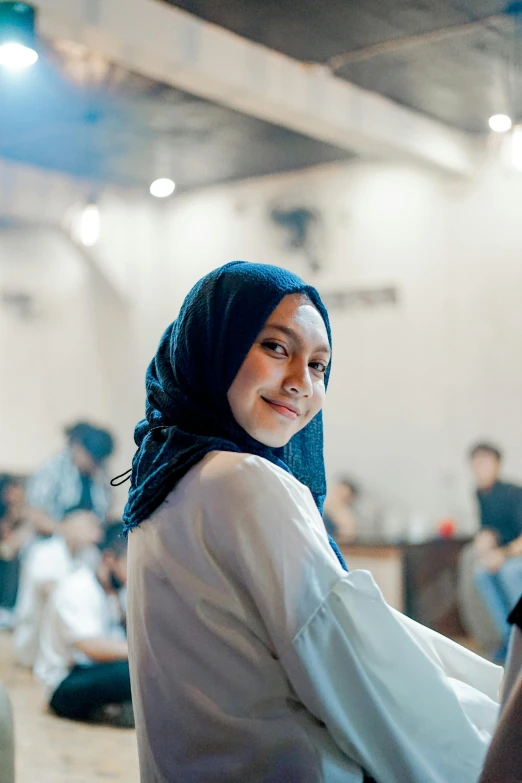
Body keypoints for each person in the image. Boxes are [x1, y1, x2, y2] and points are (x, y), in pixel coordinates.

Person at [124, 261, 500, 783]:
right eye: (276, 347)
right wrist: (489, 746)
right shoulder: (244, 481)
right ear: (215, 345)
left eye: (320, 365)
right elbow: (353, 670)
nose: (302, 382)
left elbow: (348, 630)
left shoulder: (164, 476)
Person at [34, 524, 131, 727]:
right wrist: (145, 652)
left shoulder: (116, 592)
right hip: (63, 684)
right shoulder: (76, 588)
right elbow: (93, 648)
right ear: (109, 559)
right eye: (129, 566)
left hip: (93, 673)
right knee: (134, 671)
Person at [13, 509, 102, 667]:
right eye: (86, 525)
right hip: (36, 640)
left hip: (71, 635)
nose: (94, 532)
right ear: (67, 524)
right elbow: (51, 593)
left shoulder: (90, 556)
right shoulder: (44, 552)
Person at [468, 443, 522, 658]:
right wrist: (485, 541)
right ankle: (509, 638)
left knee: (508, 572)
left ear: (497, 464)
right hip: (505, 553)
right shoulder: (481, 493)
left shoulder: (513, 493)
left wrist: (503, 554)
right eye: (476, 463)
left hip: (515, 554)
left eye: (485, 462)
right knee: (481, 572)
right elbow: (490, 530)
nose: (480, 467)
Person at [26, 421, 114, 535]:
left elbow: (105, 514)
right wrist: (67, 529)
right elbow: (34, 514)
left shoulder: (100, 476)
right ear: (80, 449)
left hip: (89, 542)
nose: (94, 465)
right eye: (92, 459)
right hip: (53, 538)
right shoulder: (53, 469)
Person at [0, 475, 34, 628]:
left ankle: (8, 609)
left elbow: (17, 541)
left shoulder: (25, 517)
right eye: (10, 492)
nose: (13, 496)